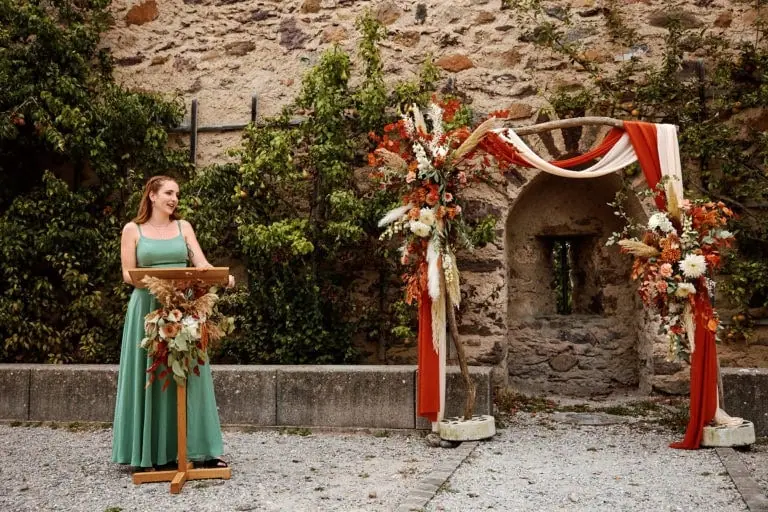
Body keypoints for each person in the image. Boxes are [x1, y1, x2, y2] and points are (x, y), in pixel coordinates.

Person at [112, 175, 233, 471]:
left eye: (177, 194)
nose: (174, 199)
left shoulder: (184, 227)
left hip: (184, 305)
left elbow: (200, 264)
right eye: (168, 193)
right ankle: (147, 454)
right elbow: (129, 274)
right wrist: (159, 285)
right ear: (152, 195)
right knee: (149, 374)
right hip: (148, 304)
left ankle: (202, 451)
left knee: (192, 371)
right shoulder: (133, 229)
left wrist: (220, 277)